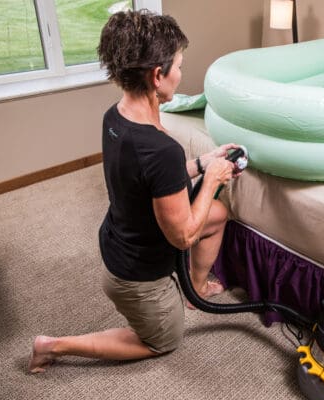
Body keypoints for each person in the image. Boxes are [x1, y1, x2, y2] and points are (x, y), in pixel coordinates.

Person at [28, 10, 241, 373]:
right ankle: (53, 346)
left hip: (118, 238)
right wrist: (215, 179)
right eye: (178, 65)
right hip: (136, 276)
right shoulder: (160, 149)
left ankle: (197, 287)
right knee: (163, 340)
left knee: (218, 215)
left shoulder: (116, 116)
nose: (181, 73)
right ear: (157, 76)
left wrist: (204, 163)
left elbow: (153, 180)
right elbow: (184, 236)